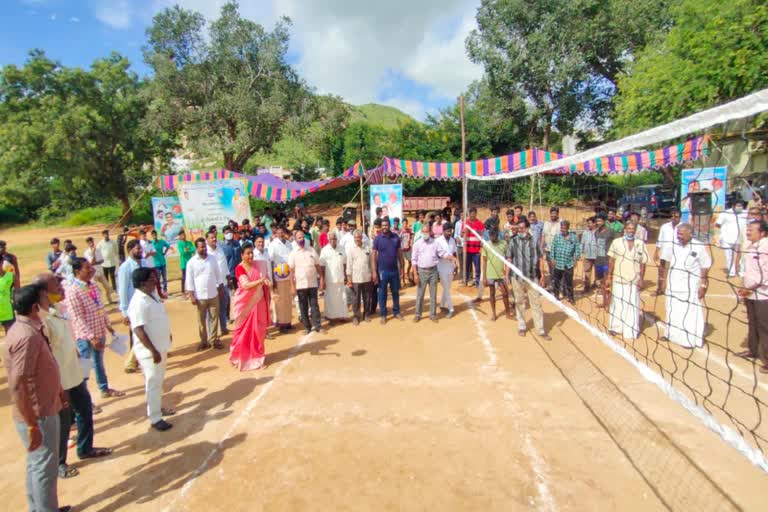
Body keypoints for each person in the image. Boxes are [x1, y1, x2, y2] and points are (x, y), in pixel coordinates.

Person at [35, 273, 111, 477]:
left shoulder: (59, 309)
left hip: (74, 373)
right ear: (43, 292)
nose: (61, 288)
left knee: (85, 410)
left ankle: (85, 448)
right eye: (56, 285)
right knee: (63, 421)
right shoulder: (42, 319)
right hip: (60, 380)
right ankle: (60, 463)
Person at [4, 284, 72, 512]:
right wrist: (32, 423)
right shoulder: (27, 337)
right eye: (45, 299)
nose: (48, 302)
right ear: (35, 306)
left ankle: (41, 509)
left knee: (37, 464)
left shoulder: (30, 329)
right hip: (38, 414)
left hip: (41, 408)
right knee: (45, 466)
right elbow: (18, 383)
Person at [65, 258, 123, 399]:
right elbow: (77, 318)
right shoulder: (73, 291)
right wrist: (91, 337)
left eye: (91, 267)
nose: (92, 270)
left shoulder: (94, 286)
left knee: (98, 362)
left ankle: (104, 389)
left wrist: (108, 326)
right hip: (85, 337)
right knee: (84, 368)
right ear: (78, 271)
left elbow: (100, 307)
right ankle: (84, 400)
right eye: (87, 268)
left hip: (99, 331)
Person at [128, 268, 175, 431]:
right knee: (153, 382)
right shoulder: (138, 302)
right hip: (150, 352)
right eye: (151, 279)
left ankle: (158, 408)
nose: (155, 281)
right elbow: (138, 330)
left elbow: (159, 317)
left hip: (160, 346)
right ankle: (155, 418)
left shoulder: (152, 295)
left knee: (159, 380)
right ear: (142, 283)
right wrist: (153, 351)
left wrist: (167, 334)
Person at [662, 223, 711, 348]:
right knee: (671, 309)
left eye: (682, 234)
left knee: (690, 312)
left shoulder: (698, 246)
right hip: (673, 285)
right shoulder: (672, 245)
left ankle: (689, 339)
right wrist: (663, 280)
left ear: (690, 234)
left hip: (689, 287)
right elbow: (666, 262)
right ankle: (670, 334)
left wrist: (703, 284)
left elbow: (705, 265)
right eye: (678, 233)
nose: (679, 236)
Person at [228, 243, 271, 371]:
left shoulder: (259, 265)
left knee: (259, 330)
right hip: (245, 305)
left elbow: (265, 278)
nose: (250, 255)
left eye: (251, 253)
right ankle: (239, 357)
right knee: (242, 332)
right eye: (247, 253)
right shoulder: (239, 268)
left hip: (259, 302)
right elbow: (245, 285)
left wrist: (267, 282)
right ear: (242, 255)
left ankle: (257, 358)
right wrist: (261, 281)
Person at [506, 218, 549, 339]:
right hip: (517, 277)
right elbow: (509, 258)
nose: (520, 230)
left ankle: (540, 330)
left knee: (536, 303)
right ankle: (521, 326)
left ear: (528, 228)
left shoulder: (535, 241)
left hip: (532, 277)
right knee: (519, 302)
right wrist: (506, 275)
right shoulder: (513, 241)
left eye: (522, 228)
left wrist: (542, 275)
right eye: (518, 228)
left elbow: (540, 258)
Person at [605, 222, 648, 340]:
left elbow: (643, 263)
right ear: (624, 229)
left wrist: (641, 279)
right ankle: (615, 327)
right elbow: (611, 261)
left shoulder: (640, 244)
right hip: (618, 278)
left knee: (633, 305)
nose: (630, 230)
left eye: (632, 228)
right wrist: (609, 277)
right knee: (617, 303)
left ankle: (631, 331)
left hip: (634, 280)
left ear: (635, 230)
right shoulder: (616, 242)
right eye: (628, 228)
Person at [736, 220, 768, 373]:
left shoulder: (765, 247)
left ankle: (767, 361)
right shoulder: (750, 247)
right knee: (752, 323)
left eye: (751, 230)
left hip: (763, 294)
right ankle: (753, 350)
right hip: (750, 293)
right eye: (747, 230)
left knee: (764, 327)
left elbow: (765, 275)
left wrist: (750, 289)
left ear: (762, 233)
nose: (748, 233)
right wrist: (744, 287)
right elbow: (748, 271)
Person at [186, 238, 225, 350]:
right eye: (201, 247)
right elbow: (189, 280)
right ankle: (203, 341)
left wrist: (221, 287)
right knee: (201, 320)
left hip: (213, 293)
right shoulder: (191, 263)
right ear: (196, 248)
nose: (204, 249)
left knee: (214, 318)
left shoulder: (212, 259)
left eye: (204, 246)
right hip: (200, 296)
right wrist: (192, 295)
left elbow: (218, 274)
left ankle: (213, 340)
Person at [288, 230, 323, 334]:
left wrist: (321, 279)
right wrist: (292, 286)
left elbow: (318, 266)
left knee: (314, 305)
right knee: (303, 307)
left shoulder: (311, 250)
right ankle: (307, 327)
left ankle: (318, 326)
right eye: (299, 238)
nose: (301, 239)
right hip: (300, 285)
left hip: (312, 283)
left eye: (303, 237)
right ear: (295, 240)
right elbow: (291, 272)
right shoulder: (293, 254)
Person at [118, 239, 143, 373]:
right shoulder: (125, 268)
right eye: (137, 249)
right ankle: (132, 362)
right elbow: (122, 290)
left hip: (144, 304)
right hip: (132, 307)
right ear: (130, 250)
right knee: (137, 334)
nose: (140, 251)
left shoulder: (143, 263)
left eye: (140, 249)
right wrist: (124, 312)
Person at [372, 217, 403, 324]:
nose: (384, 227)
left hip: (394, 271)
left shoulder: (396, 238)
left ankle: (396, 311)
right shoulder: (377, 239)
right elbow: (373, 256)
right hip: (382, 271)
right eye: (383, 225)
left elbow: (399, 254)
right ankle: (383, 314)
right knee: (382, 293)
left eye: (386, 225)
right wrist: (374, 271)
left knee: (395, 292)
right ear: (381, 226)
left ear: (389, 226)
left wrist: (402, 268)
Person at [412, 223, 440, 322]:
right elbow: (414, 260)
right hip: (422, 272)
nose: (425, 233)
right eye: (423, 232)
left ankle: (432, 314)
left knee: (433, 294)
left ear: (430, 232)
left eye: (427, 231)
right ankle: (417, 314)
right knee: (420, 295)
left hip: (433, 271)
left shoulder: (435, 243)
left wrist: (450, 257)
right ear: (421, 232)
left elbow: (441, 253)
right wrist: (415, 274)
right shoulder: (417, 244)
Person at [482, 228, 512, 321]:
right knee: (492, 293)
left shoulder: (504, 244)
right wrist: (484, 276)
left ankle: (507, 312)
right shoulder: (486, 245)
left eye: (493, 236)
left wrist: (507, 274)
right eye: (490, 236)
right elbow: (484, 260)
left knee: (505, 293)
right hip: (490, 273)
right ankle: (494, 313)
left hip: (501, 274)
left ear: (497, 235)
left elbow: (508, 258)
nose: (492, 237)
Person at [268, 227, 294, 332]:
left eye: (282, 232)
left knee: (288, 300)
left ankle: (288, 322)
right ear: (276, 234)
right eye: (278, 233)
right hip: (278, 277)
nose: (281, 234)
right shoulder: (273, 245)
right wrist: (273, 279)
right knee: (279, 301)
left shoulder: (289, 244)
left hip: (288, 276)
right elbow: (271, 262)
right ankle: (280, 323)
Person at [549, 221, 581, 303]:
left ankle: (571, 297)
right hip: (558, 263)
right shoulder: (557, 237)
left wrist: (576, 259)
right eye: (562, 228)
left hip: (568, 263)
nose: (563, 229)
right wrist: (552, 258)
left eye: (564, 228)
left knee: (569, 282)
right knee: (557, 281)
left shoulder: (573, 237)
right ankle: (556, 296)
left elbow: (577, 249)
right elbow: (553, 248)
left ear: (568, 228)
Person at [346, 230, 373, 325]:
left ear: (362, 237)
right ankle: (356, 317)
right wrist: (349, 279)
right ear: (354, 238)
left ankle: (366, 314)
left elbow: (371, 263)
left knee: (367, 298)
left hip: (366, 277)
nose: (357, 239)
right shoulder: (351, 250)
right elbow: (349, 265)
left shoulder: (367, 248)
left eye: (359, 237)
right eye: (355, 237)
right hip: (355, 278)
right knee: (355, 299)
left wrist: (373, 274)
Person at [319, 232, 347, 322]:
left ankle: (341, 316)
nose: (333, 240)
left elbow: (344, 263)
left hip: (340, 277)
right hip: (329, 279)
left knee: (341, 298)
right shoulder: (324, 250)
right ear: (328, 239)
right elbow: (322, 266)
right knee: (330, 299)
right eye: (331, 238)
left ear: (337, 239)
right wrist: (322, 279)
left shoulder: (342, 249)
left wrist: (346, 275)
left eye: (334, 238)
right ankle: (330, 317)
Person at [207, 230, 231, 334]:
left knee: (223, 307)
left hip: (223, 283)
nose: (214, 239)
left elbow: (224, 265)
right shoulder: (206, 252)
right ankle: (212, 332)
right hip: (213, 286)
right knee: (212, 311)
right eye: (211, 237)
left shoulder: (220, 249)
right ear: (207, 240)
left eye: (215, 237)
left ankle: (223, 328)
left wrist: (228, 277)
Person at [715, 200, 748, 277]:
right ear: (733, 206)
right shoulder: (725, 213)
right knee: (729, 256)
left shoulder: (745, 213)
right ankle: (731, 272)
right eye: (737, 205)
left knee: (741, 255)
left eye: (740, 206)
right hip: (727, 238)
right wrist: (721, 233)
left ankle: (740, 271)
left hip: (740, 238)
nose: (739, 207)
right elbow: (717, 224)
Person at [654, 209, 682, 295]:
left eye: (676, 217)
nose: (674, 218)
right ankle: (660, 289)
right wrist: (656, 252)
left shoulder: (684, 227)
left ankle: (675, 291)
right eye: (672, 216)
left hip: (679, 255)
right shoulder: (665, 227)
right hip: (665, 254)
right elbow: (660, 240)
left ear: (680, 217)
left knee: (677, 273)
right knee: (662, 273)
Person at [436, 222, 458, 318]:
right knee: (446, 288)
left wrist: (456, 266)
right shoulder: (438, 241)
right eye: (448, 231)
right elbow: (437, 255)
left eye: (451, 231)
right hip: (441, 268)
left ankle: (441, 305)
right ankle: (451, 308)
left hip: (451, 267)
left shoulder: (452, 240)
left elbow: (454, 253)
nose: (450, 233)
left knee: (447, 288)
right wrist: (447, 257)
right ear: (443, 231)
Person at [84, 236, 114, 304]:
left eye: (92, 242)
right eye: (89, 242)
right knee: (96, 289)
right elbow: (91, 262)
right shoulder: (87, 252)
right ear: (87, 244)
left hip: (100, 271)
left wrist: (96, 262)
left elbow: (102, 260)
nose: (91, 243)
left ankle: (109, 300)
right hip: (93, 273)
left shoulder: (98, 250)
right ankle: (98, 303)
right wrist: (93, 253)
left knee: (107, 287)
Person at [463, 207, 485, 288]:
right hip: (467, 250)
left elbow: (482, 237)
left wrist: (480, 248)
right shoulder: (466, 223)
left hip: (476, 250)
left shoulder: (480, 224)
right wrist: (465, 232)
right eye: (471, 215)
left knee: (477, 267)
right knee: (467, 266)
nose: (472, 216)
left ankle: (478, 282)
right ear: (469, 214)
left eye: (474, 215)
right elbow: (462, 235)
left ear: (476, 214)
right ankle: (467, 280)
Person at [542, 207, 561, 285]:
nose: (553, 215)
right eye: (552, 213)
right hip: (548, 250)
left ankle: (559, 285)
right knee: (550, 268)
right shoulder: (546, 223)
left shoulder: (561, 223)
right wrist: (541, 246)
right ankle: (553, 284)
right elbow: (543, 235)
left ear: (557, 214)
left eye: (555, 213)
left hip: (558, 250)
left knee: (558, 267)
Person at [580, 217, 598, 292]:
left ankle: (597, 286)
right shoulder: (585, 232)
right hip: (587, 255)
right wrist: (580, 252)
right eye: (588, 223)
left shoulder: (598, 232)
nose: (588, 224)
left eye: (590, 223)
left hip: (597, 255)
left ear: (594, 223)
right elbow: (582, 243)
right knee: (587, 271)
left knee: (598, 272)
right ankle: (587, 287)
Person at [0, 260, 15, 332]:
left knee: (10, 332)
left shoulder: (10, 276)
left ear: (2, 263)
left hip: (6, 309)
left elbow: (17, 290)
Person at [400, 218, 413, 286]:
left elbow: (411, 237)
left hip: (408, 249)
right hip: (402, 250)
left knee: (410, 262)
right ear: (402, 224)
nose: (405, 225)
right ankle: (403, 280)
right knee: (403, 264)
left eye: (406, 223)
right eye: (403, 223)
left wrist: (411, 244)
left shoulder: (409, 230)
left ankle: (407, 273)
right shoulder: (400, 231)